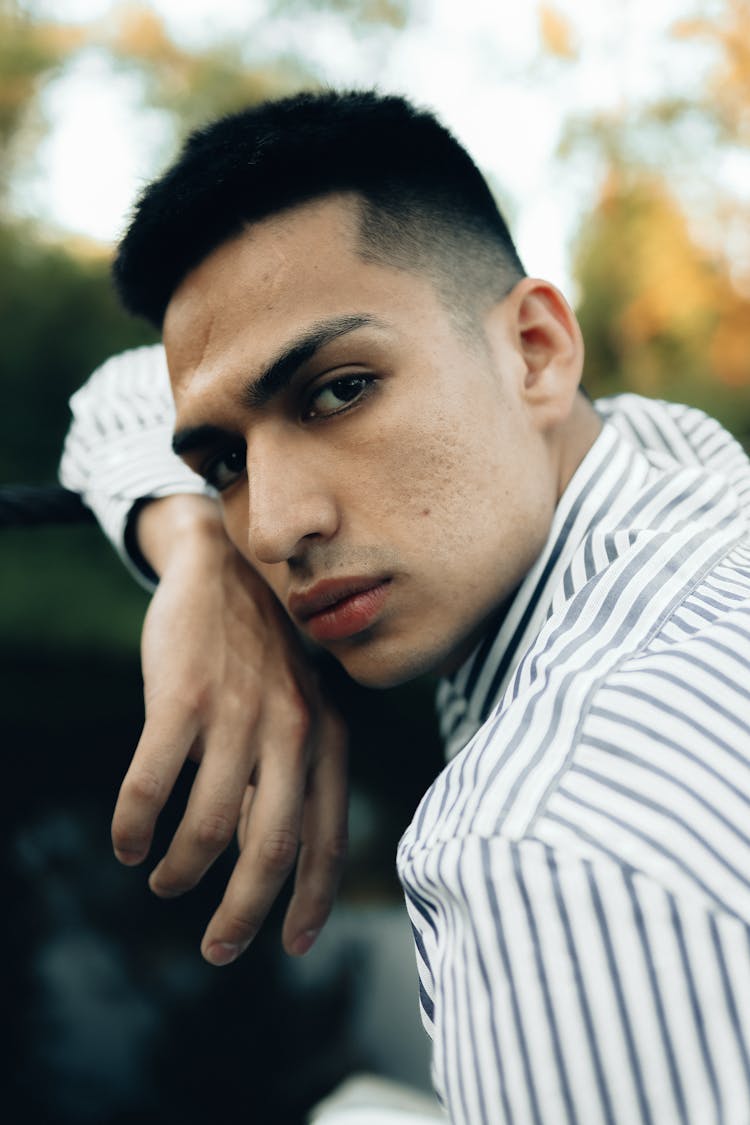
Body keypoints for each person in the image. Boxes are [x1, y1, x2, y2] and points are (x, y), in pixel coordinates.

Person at [59, 90, 750, 1123]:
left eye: (337, 392)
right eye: (225, 462)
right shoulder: (674, 475)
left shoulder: (541, 856)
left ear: (535, 350)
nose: (275, 528)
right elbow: (125, 395)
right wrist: (195, 546)